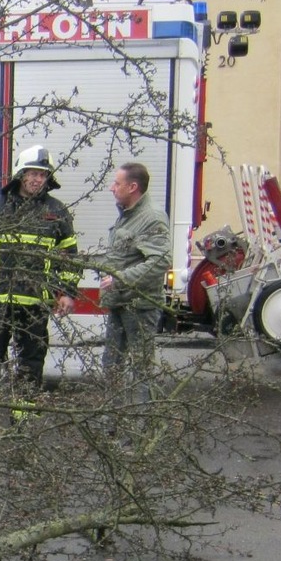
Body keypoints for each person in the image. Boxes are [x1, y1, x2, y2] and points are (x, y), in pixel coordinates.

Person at [0, 145, 80, 395]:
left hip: (35, 303)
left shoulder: (56, 212)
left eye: (43, 174)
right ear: (20, 174)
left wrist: (67, 293)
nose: (38, 179)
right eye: (33, 173)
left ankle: (22, 416)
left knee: (31, 363)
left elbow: (70, 258)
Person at [100, 162, 170, 404]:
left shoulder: (151, 218)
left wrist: (120, 279)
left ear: (132, 187)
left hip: (139, 307)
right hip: (121, 303)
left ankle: (144, 429)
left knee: (142, 369)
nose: (112, 188)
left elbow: (160, 262)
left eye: (116, 184)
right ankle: (112, 425)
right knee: (111, 364)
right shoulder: (129, 214)